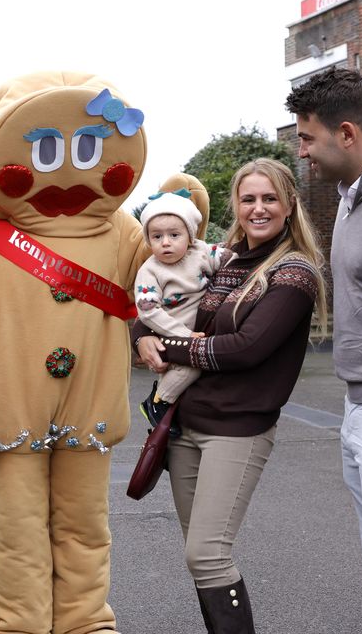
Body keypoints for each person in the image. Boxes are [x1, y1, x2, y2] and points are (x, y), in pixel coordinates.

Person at [134, 158, 328, 633]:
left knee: (207, 554)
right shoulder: (224, 260)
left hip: (237, 431)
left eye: (269, 199)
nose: (258, 208)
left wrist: (169, 345)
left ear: (289, 205)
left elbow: (246, 349)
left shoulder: (295, 271)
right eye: (248, 199)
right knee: (199, 556)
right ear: (236, 207)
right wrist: (141, 331)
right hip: (184, 427)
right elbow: (175, 305)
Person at [286, 68, 362, 627]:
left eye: (306, 138)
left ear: (346, 133)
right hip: (358, 408)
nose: (301, 151)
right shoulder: (353, 194)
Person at [134, 191, 233, 427]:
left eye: (174, 235)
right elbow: (148, 310)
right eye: (156, 236)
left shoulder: (201, 252)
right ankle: (157, 403)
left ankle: (170, 406)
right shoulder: (150, 271)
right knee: (189, 369)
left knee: (186, 376)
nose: (165, 242)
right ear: (148, 240)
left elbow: (232, 260)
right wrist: (184, 336)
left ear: (190, 236)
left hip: (198, 331)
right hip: (173, 334)